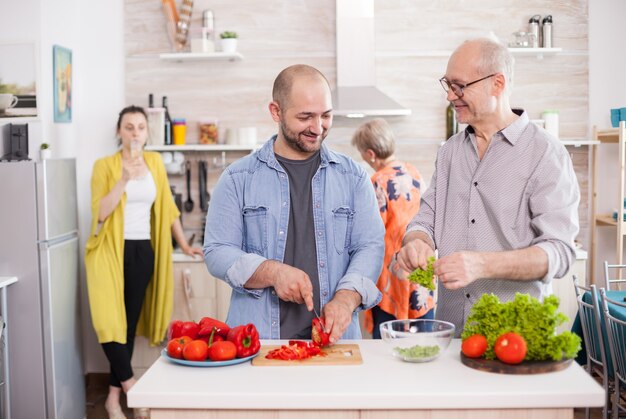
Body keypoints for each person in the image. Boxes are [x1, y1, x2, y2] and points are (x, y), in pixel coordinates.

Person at [394, 38, 580, 336]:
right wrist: (417, 242)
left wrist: (481, 264)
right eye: (447, 85)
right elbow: (424, 220)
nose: (450, 96)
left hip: (515, 339)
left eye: (459, 86)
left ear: (497, 83)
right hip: (451, 335)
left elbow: (559, 253)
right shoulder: (450, 152)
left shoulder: (546, 153)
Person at [203, 64, 385, 342]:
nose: (317, 127)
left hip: (335, 343)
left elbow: (369, 246)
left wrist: (346, 299)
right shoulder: (238, 178)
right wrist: (273, 273)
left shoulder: (354, 177)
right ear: (276, 111)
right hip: (259, 343)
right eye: (305, 117)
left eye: (326, 115)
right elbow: (217, 251)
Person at [85, 105, 202, 419]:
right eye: (128, 127)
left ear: (147, 133)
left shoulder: (154, 163)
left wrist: (184, 245)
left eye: (140, 127)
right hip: (110, 251)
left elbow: (168, 208)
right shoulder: (104, 166)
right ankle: (132, 389)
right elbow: (100, 213)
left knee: (128, 326)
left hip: (142, 251)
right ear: (118, 132)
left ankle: (112, 400)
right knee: (109, 323)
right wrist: (123, 180)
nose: (135, 132)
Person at [351, 118, 434, 339]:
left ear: (370, 154)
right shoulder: (414, 172)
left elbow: (370, 233)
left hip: (392, 277)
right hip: (420, 269)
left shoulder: (377, 182)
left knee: (388, 346)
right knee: (422, 342)